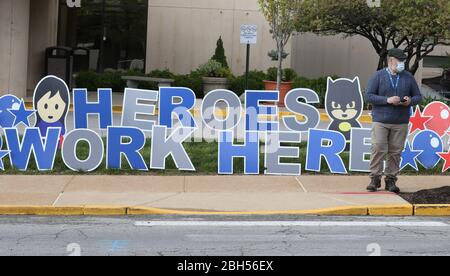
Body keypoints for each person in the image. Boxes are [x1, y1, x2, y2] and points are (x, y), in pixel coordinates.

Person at [365, 48, 423, 194]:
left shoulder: (408, 77)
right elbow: (369, 96)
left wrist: (409, 101)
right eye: (400, 61)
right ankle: (375, 178)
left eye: (403, 61)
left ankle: (391, 179)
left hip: (401, 121)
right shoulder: (378, 76)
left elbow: (418, 97)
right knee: (378, 147)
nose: (403, 63)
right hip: (381, 120)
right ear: (391, 61)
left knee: (395, 151)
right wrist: (387, 100)